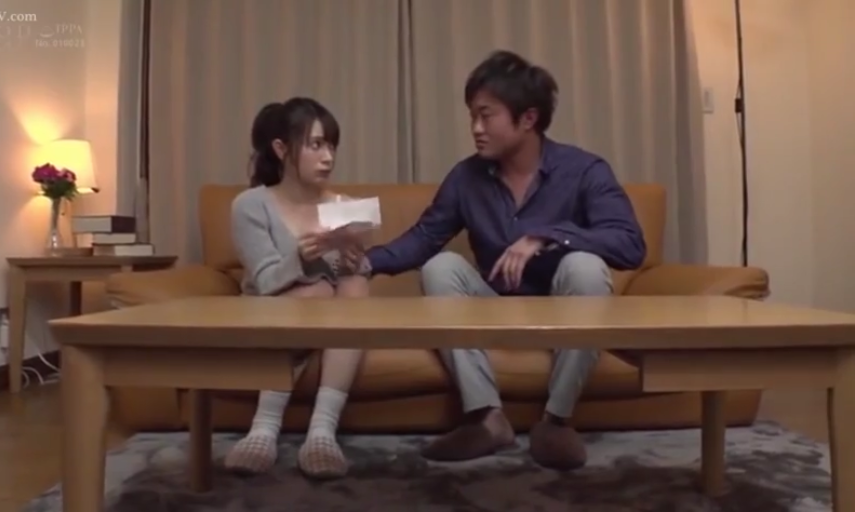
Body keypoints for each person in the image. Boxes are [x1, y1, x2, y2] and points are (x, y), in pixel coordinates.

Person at [361, 50, 646, 471]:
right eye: (472, 117)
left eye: (486, 116)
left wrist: (547, 236)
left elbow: (629, 244)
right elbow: (423, 238)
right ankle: (487, 417)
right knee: (441, 267)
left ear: (527, 118)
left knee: (585, 267)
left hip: (562, 315)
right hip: (493, 306)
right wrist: (364, 263)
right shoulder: (466, 177)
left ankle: (556, 420)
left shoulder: (584, 170)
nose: (475, 129)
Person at [225, 97, 370, 479]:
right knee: (317, 290)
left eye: (332, 146)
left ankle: (322, 431)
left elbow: (356, 275)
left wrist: (355, 259)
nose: (328, 157)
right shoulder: (250, 205)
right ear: (281, 149)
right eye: (316, 145)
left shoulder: (343, 206)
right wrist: (301, 259)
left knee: (354, 285)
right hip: (270, 308)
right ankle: (264, 427)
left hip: (331, 314)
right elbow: (265, 280)